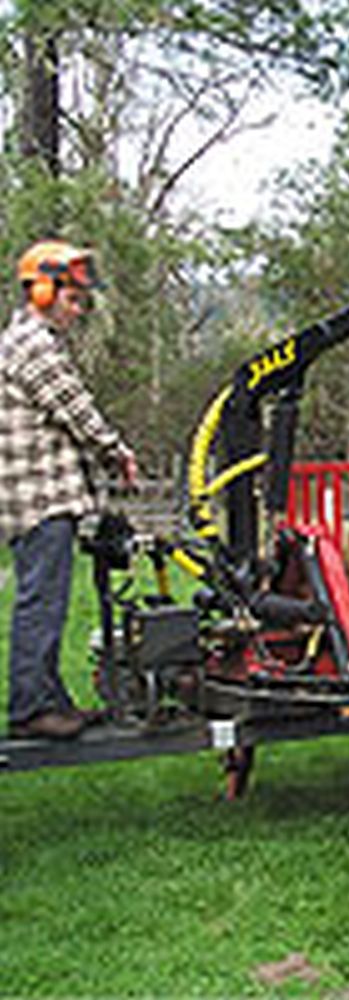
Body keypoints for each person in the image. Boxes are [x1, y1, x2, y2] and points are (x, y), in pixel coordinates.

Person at [0, 239, 138, 740]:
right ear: (41, 292)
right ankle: (32, 709)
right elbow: (76, 409)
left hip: (43, 498)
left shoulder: (30, 342)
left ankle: (51, 700)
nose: (78, 311)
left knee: (49, 601)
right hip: (38, 500)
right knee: (41, 602)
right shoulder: (32, 344)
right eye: (72, 299)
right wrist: (117, 452)